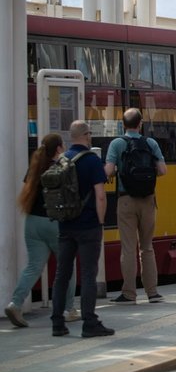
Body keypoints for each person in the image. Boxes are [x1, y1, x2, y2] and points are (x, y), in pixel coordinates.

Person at [5, 134, 79, 328]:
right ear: (58, 148)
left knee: (33, 266)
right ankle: (68, 309)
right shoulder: (62, 167)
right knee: (67, 266)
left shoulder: (35, 166)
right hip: (54, 222)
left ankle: (15, 303)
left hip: (32, 222)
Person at [51, 121, 113, 338]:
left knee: (62, 275)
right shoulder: (92, 161)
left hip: (65, 225)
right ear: (86, 136)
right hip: (88, 226)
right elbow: (101, 195)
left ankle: (57, 323)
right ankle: (89, 323)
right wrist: (100, 221)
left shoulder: (62, 159)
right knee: (88, 274)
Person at [104, 108, 168, 304]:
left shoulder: (117, 143)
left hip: (126, 200)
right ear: (140, 124)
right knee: (147, 247)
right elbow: (163, 170)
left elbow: (108, 171)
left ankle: (129, 293)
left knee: (128, 248)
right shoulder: (150, 143)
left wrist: (118, 172)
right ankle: (153, 293)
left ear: (123, 124)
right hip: (148, 200)